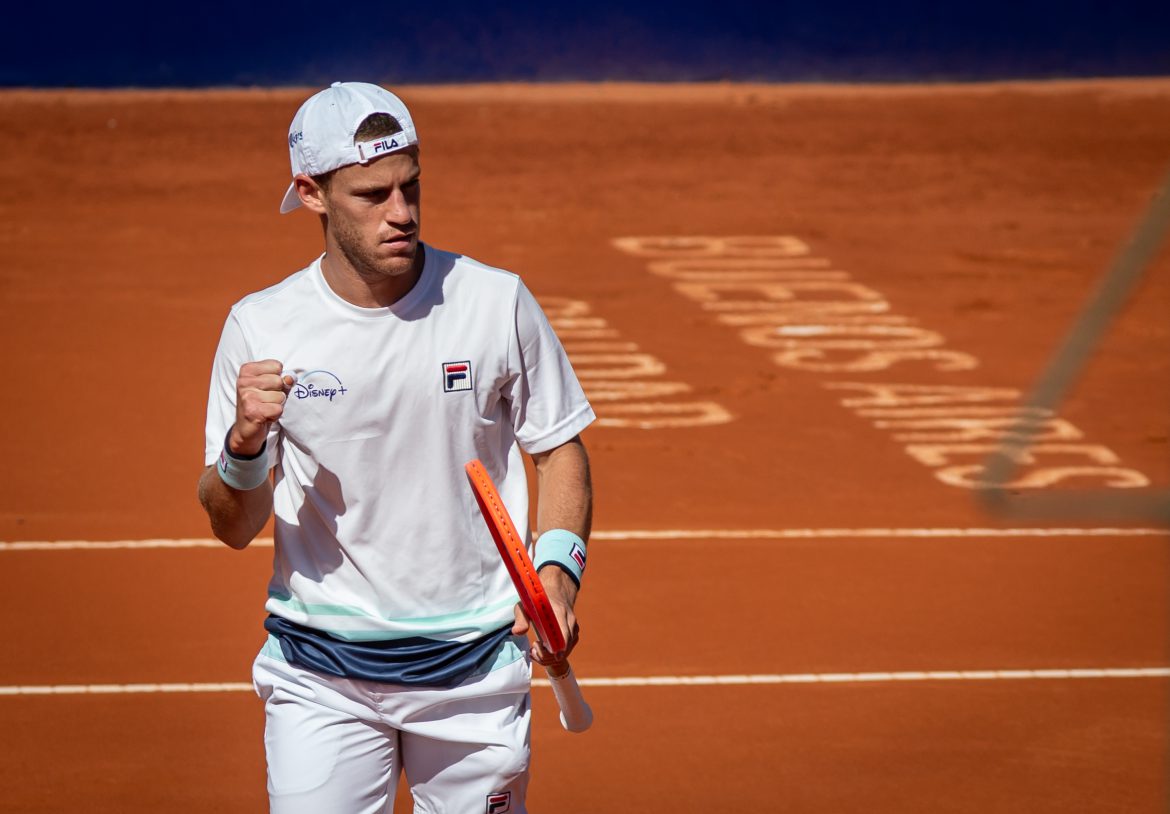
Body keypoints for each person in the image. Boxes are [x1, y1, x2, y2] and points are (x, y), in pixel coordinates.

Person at [197, 81, 594, 814]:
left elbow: (558, 448)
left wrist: (558, 574)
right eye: (372, 194)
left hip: (475, 672)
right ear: (311, 193)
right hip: (321, 675)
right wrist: (245, 442)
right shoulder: (261, 328)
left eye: (411, 186)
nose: (402, 213)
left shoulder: (495, 301)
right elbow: (233, 524)